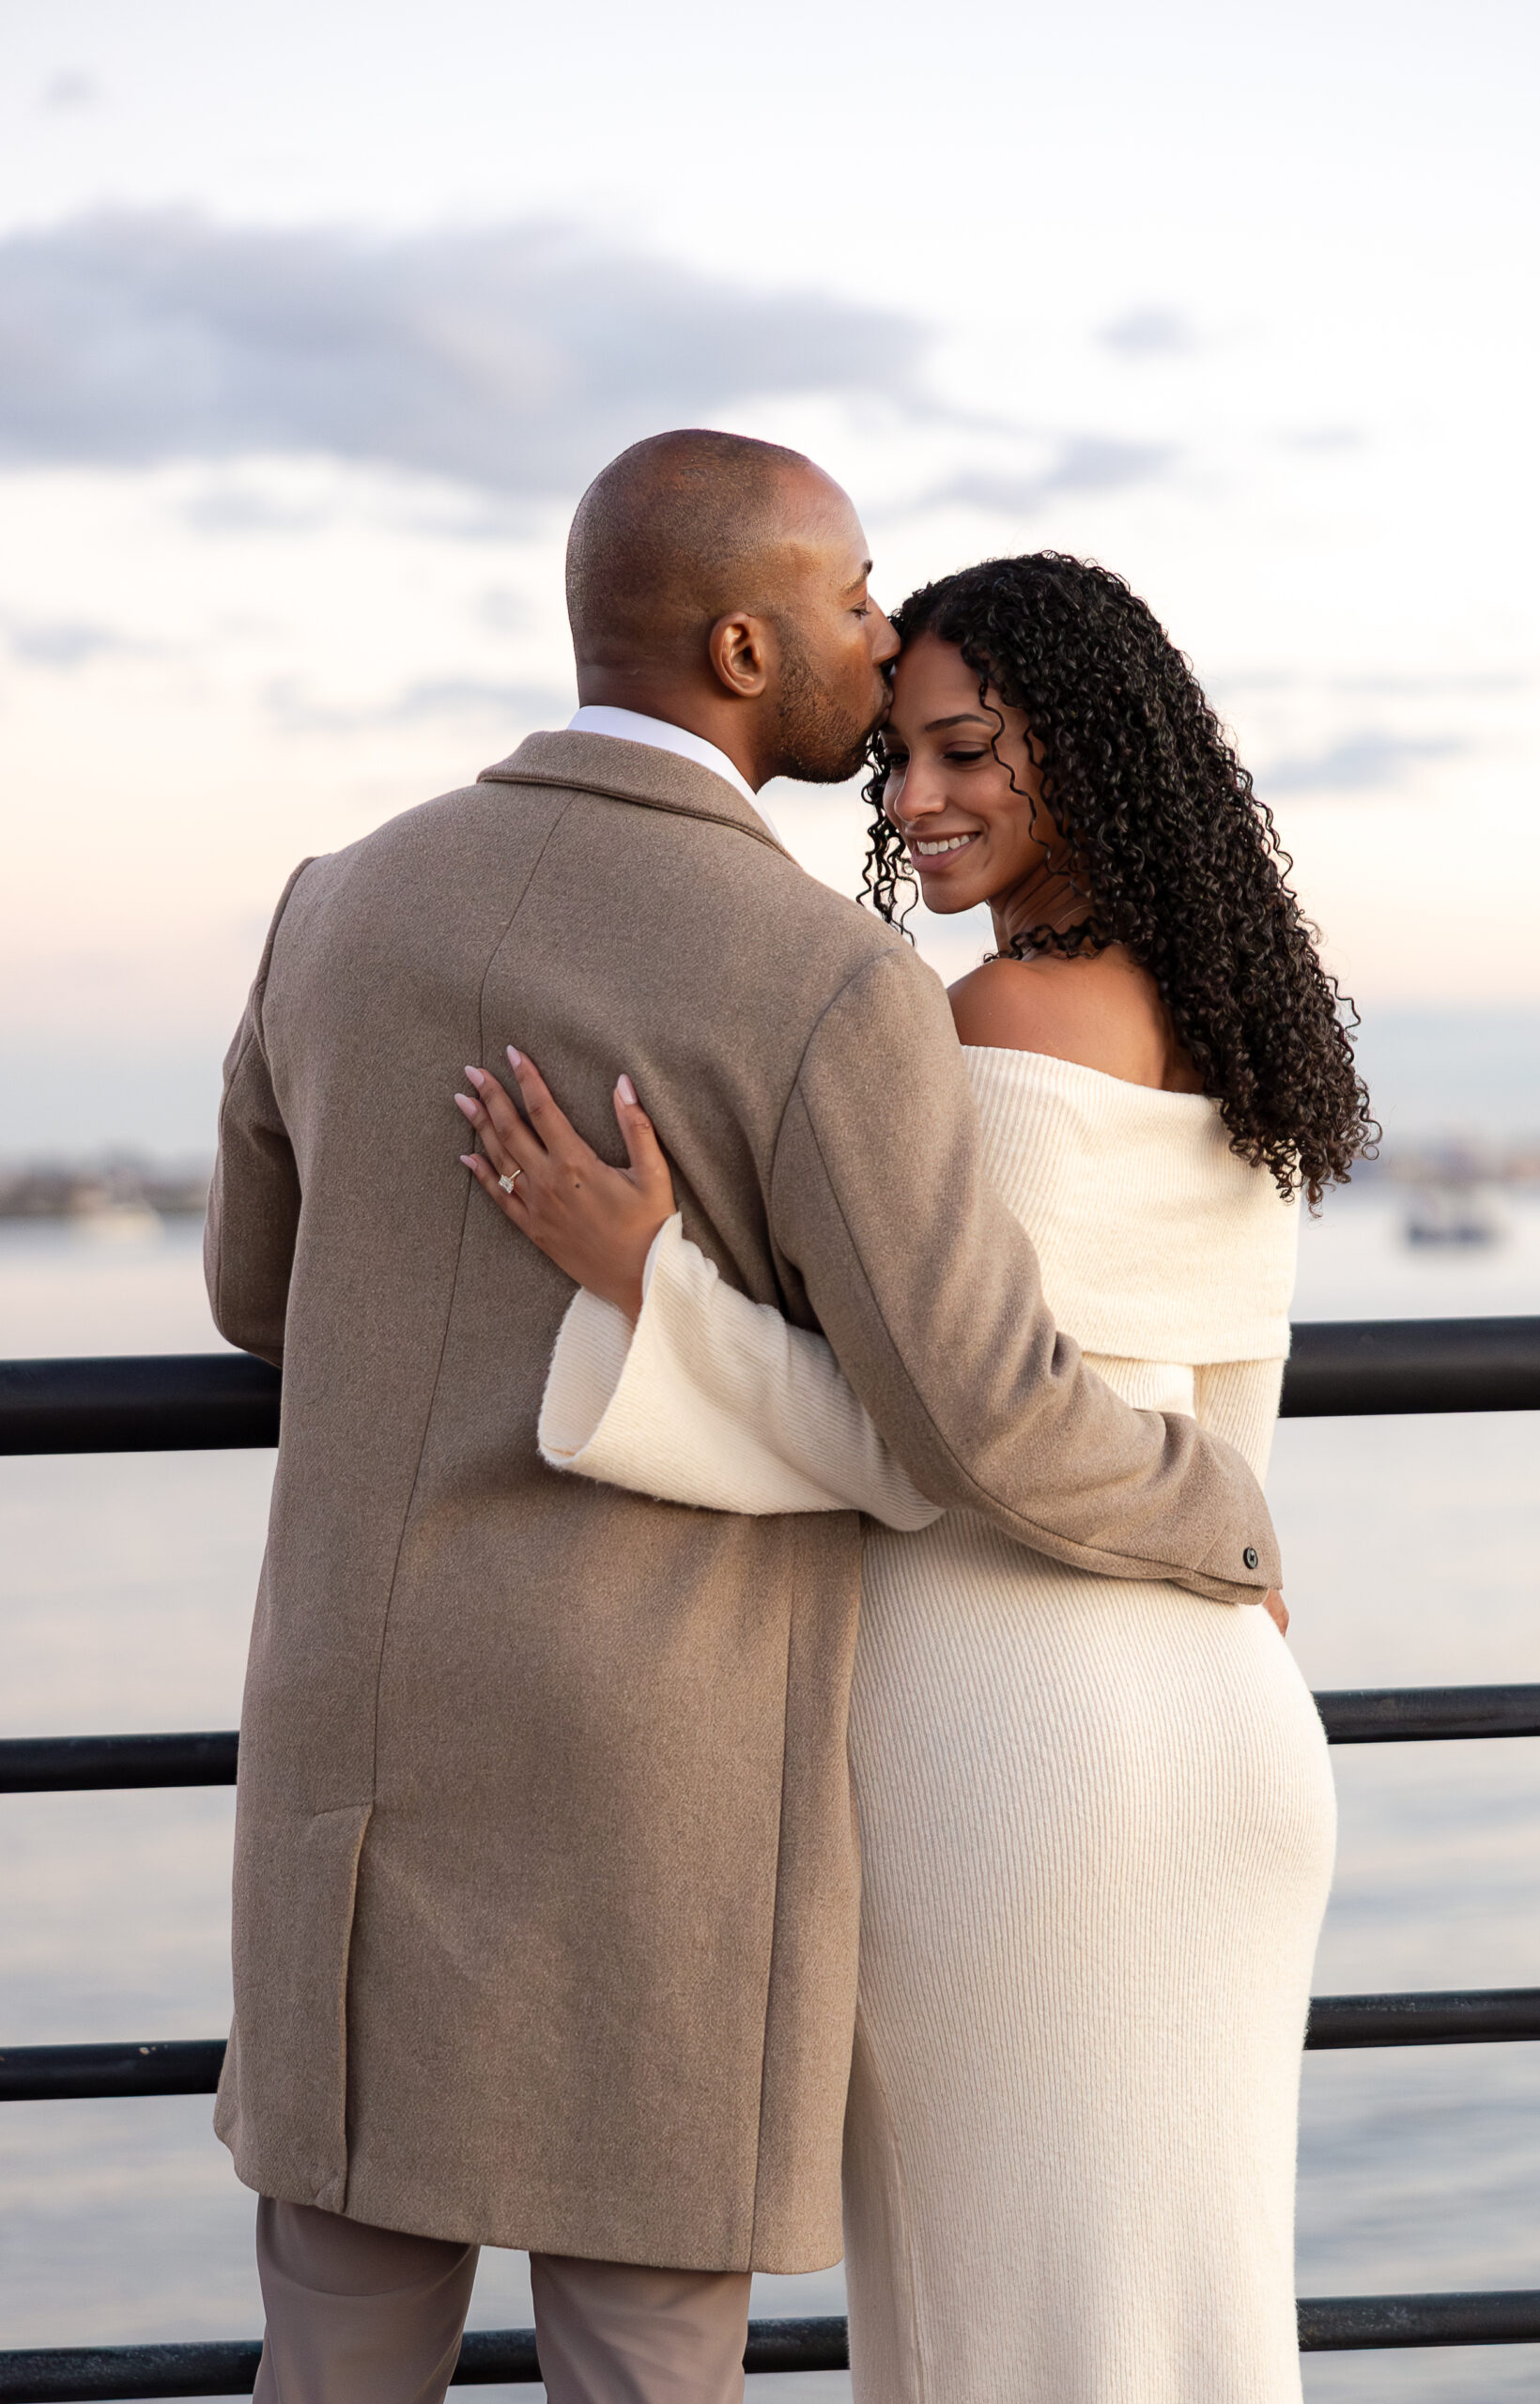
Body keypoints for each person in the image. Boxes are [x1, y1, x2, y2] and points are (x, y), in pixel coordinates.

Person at [208, 439, 1283, 2404]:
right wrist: (1224, 1518)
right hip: (665, 1775)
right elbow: (974, 1406)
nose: (881, 656)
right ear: (737, 639)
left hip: (349, 1758)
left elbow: (252, 1302)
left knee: (335, 2345)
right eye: (860, 602)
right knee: (643, 2353)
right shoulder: (828, 978)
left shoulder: (329, 903)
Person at [454, 552, 1378, 2403]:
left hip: (1017, 1746)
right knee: (1179, 2326)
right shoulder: (1235, 1029)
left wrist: (648, 1282)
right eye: (889, 757)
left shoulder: (983, 1032)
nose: (911, 798)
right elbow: (1190, 1416)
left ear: (1093, 753)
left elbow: (943, 1436)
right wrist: (1226, 1530)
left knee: (1001, 2332)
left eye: (965, 748)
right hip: (1221, 1723)